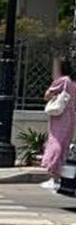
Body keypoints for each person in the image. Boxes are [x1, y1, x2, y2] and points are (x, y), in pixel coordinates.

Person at [40, 57, 76, 190]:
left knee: (55, 142)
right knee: (64, 143)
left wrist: (52, 94)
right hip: (71, 115)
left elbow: (47, 95)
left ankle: (54, 176)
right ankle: (60, 177)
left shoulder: (62, 80)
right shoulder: (73, 81)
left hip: (60, 115)